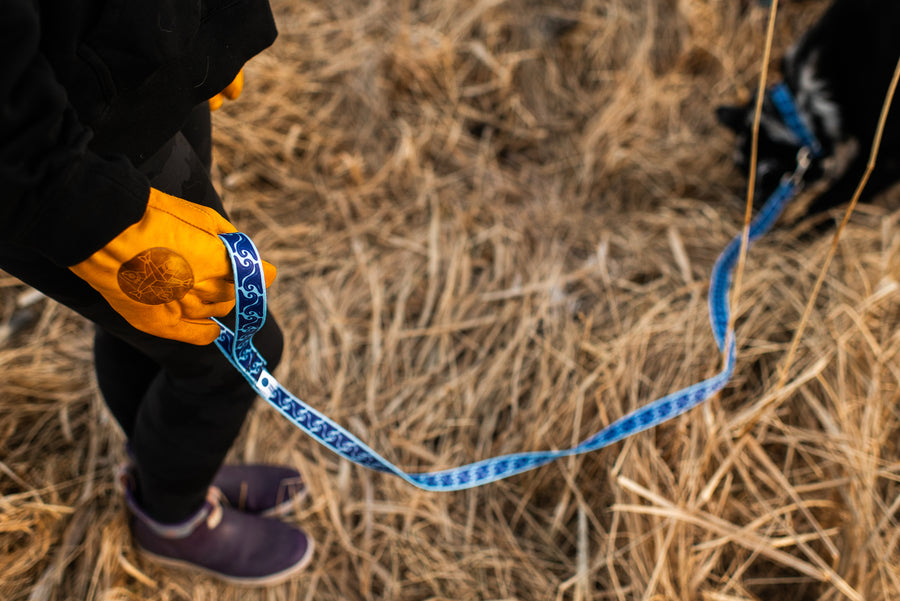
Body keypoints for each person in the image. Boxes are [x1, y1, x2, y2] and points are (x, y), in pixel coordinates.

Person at [1, 0, 313, 585]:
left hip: (139, 59)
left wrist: (209, 25)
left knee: (147, 327)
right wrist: (94, 221)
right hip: (61, 145)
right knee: (236, 351)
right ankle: (172, 517)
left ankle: (162, 462)